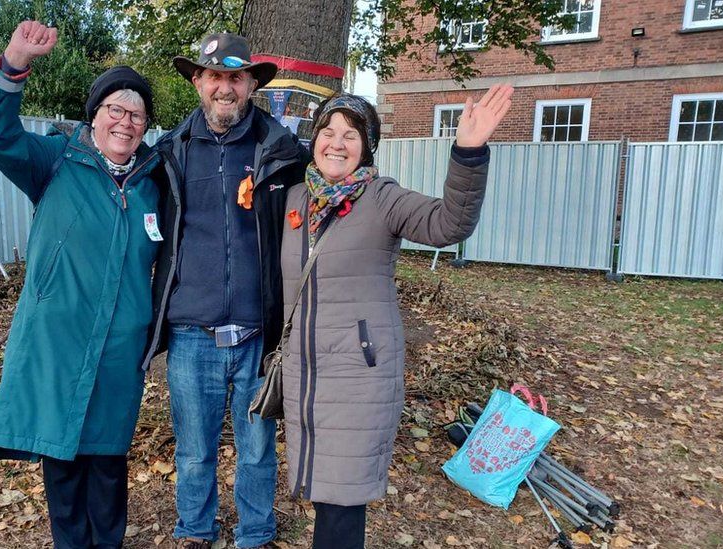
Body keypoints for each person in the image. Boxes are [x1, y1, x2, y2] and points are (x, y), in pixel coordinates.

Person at [279, 88, 513, 548]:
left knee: (342, 502)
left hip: (358, 375)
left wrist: (468, 152)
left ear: (367, 147)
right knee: (321, 492)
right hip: (305, 373)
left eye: (350, 135)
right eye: (328, 132)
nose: (337, 143)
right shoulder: (295, 201)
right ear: (314, 140)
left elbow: (448, 224)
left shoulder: (381, 198)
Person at [0, 20, 169, 549]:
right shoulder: (56, 161)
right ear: (96, 114)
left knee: (106, 463)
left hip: (118, 349)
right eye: (115, 110)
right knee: (61, 458)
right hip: (57, 343)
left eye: (136, 114)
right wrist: (12, 66)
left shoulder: (156, 183)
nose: (125, 122)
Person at [139, 33, 308, 549]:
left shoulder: (282, 152)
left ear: (252, 84)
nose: (225, 88)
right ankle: (195, 529)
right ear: (198, 81)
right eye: (214, 76)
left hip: (261, 332)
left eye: (236, 78)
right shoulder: (168, 153)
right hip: (191, 330)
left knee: (257, 447)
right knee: (193, 450)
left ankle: (255, 533)